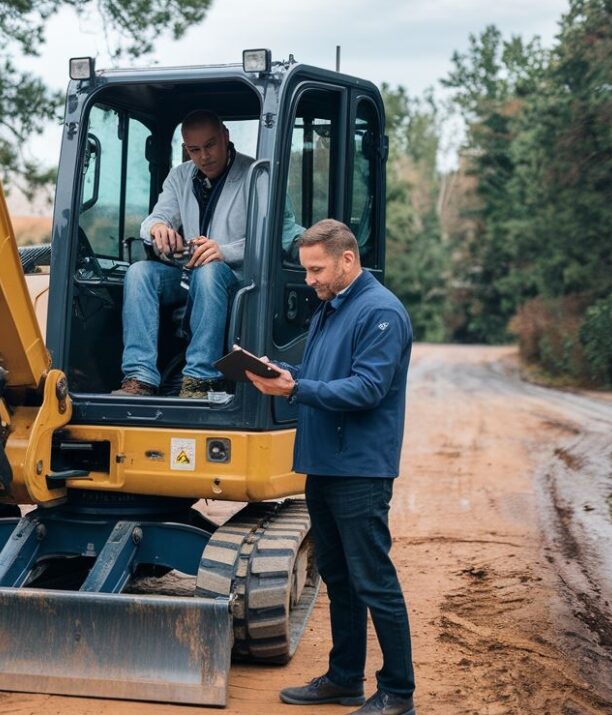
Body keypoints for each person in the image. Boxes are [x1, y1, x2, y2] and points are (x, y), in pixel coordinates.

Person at [246, 219, 416, 715]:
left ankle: (398, 693)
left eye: (317, 269)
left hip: (360, 471)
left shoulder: (381, 311)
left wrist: (295, 389)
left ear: (348, 260)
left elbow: (367, 388)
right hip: (324, 465)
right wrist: (284, 373)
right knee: (339, 580)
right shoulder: (330, 308)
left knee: (374, 581)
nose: (310, 280)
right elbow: (321, 375)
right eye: (306, 270)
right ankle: (344, 680)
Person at [114, 110, 259, 399]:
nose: (204, 156)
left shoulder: (254, 175)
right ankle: (140, 376)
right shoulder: (180, 176)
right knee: (140, 272)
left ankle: (199, 380)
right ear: (185, 149)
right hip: (188, 276)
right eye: (194, 150)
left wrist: (222, 250)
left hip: (235, 281)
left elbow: (271, 238)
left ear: (225, 137)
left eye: (210, 145)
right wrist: (157, 229)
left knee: (210, 270)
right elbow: (153, 219)